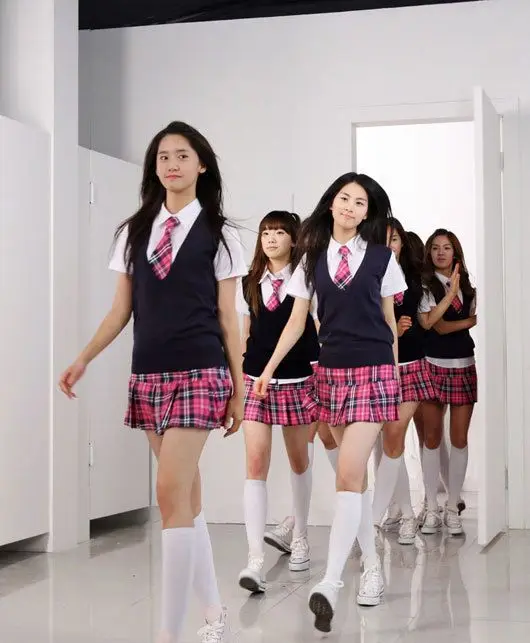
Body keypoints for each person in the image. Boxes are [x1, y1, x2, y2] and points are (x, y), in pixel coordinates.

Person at [58, 121, 247, 643]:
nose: (172, 164)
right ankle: (215, 615)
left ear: (201, 165)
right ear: (154, 167)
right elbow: (121, 310)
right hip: (149, 374)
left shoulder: (221, 233)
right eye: (163, 156)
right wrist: (84, 358)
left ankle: (167, 634)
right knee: (186, 499)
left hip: (202, 371)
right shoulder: (133, 232)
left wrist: (238, 387)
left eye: (182, 155)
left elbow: (228, 318)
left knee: (167, 492)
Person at [253, 172, 406, 631]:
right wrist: (267, 369)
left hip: (374, 372)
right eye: (345, 198)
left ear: (367, 213)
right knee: (354, 483)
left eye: (360, 203)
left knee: (347, 473)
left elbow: (389, 321)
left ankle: (332, 582)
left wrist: (395, 377)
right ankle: (372, 568)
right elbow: (296, 322)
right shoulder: (311, 260)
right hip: (332, 374)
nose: (351, 207)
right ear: (332, 203)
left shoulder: (382, 258)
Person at [237, 210, 319, 592]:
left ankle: (299, 536)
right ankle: (255, 558)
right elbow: (244, 335)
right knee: (255, 463)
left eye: (279, 232)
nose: (271, 239)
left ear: (293, 239)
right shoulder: (247, 283)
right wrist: (239, 381)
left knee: (299, 460)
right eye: (265, 232)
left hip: (298, 379)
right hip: (255, 382)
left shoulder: (307, 279)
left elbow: (307, 326)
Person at [370, 219, 459, 545]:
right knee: (386, 445)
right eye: (382, 239)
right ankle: (403, 512)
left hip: (410, 368)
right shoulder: (367, 278)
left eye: (393, 239)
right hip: (377, 369)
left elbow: (426, 322)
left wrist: (451, 296)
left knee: (396, 438)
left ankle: (391, 516)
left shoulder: (414, 282)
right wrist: (391, 331)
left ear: (402, 244)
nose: (388, 245)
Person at [420, 229, 477, 536]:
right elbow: (438, 327)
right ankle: (431, 507)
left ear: (456, 253)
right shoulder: (425, 285)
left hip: (464, 365)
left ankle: (453, 507)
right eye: (435, 248)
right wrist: (469, 321)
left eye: (447, 247)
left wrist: (464, 311)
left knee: (459, 439)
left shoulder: (469, 287)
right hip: (432, 365)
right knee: (431, 438)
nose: (441, 252)